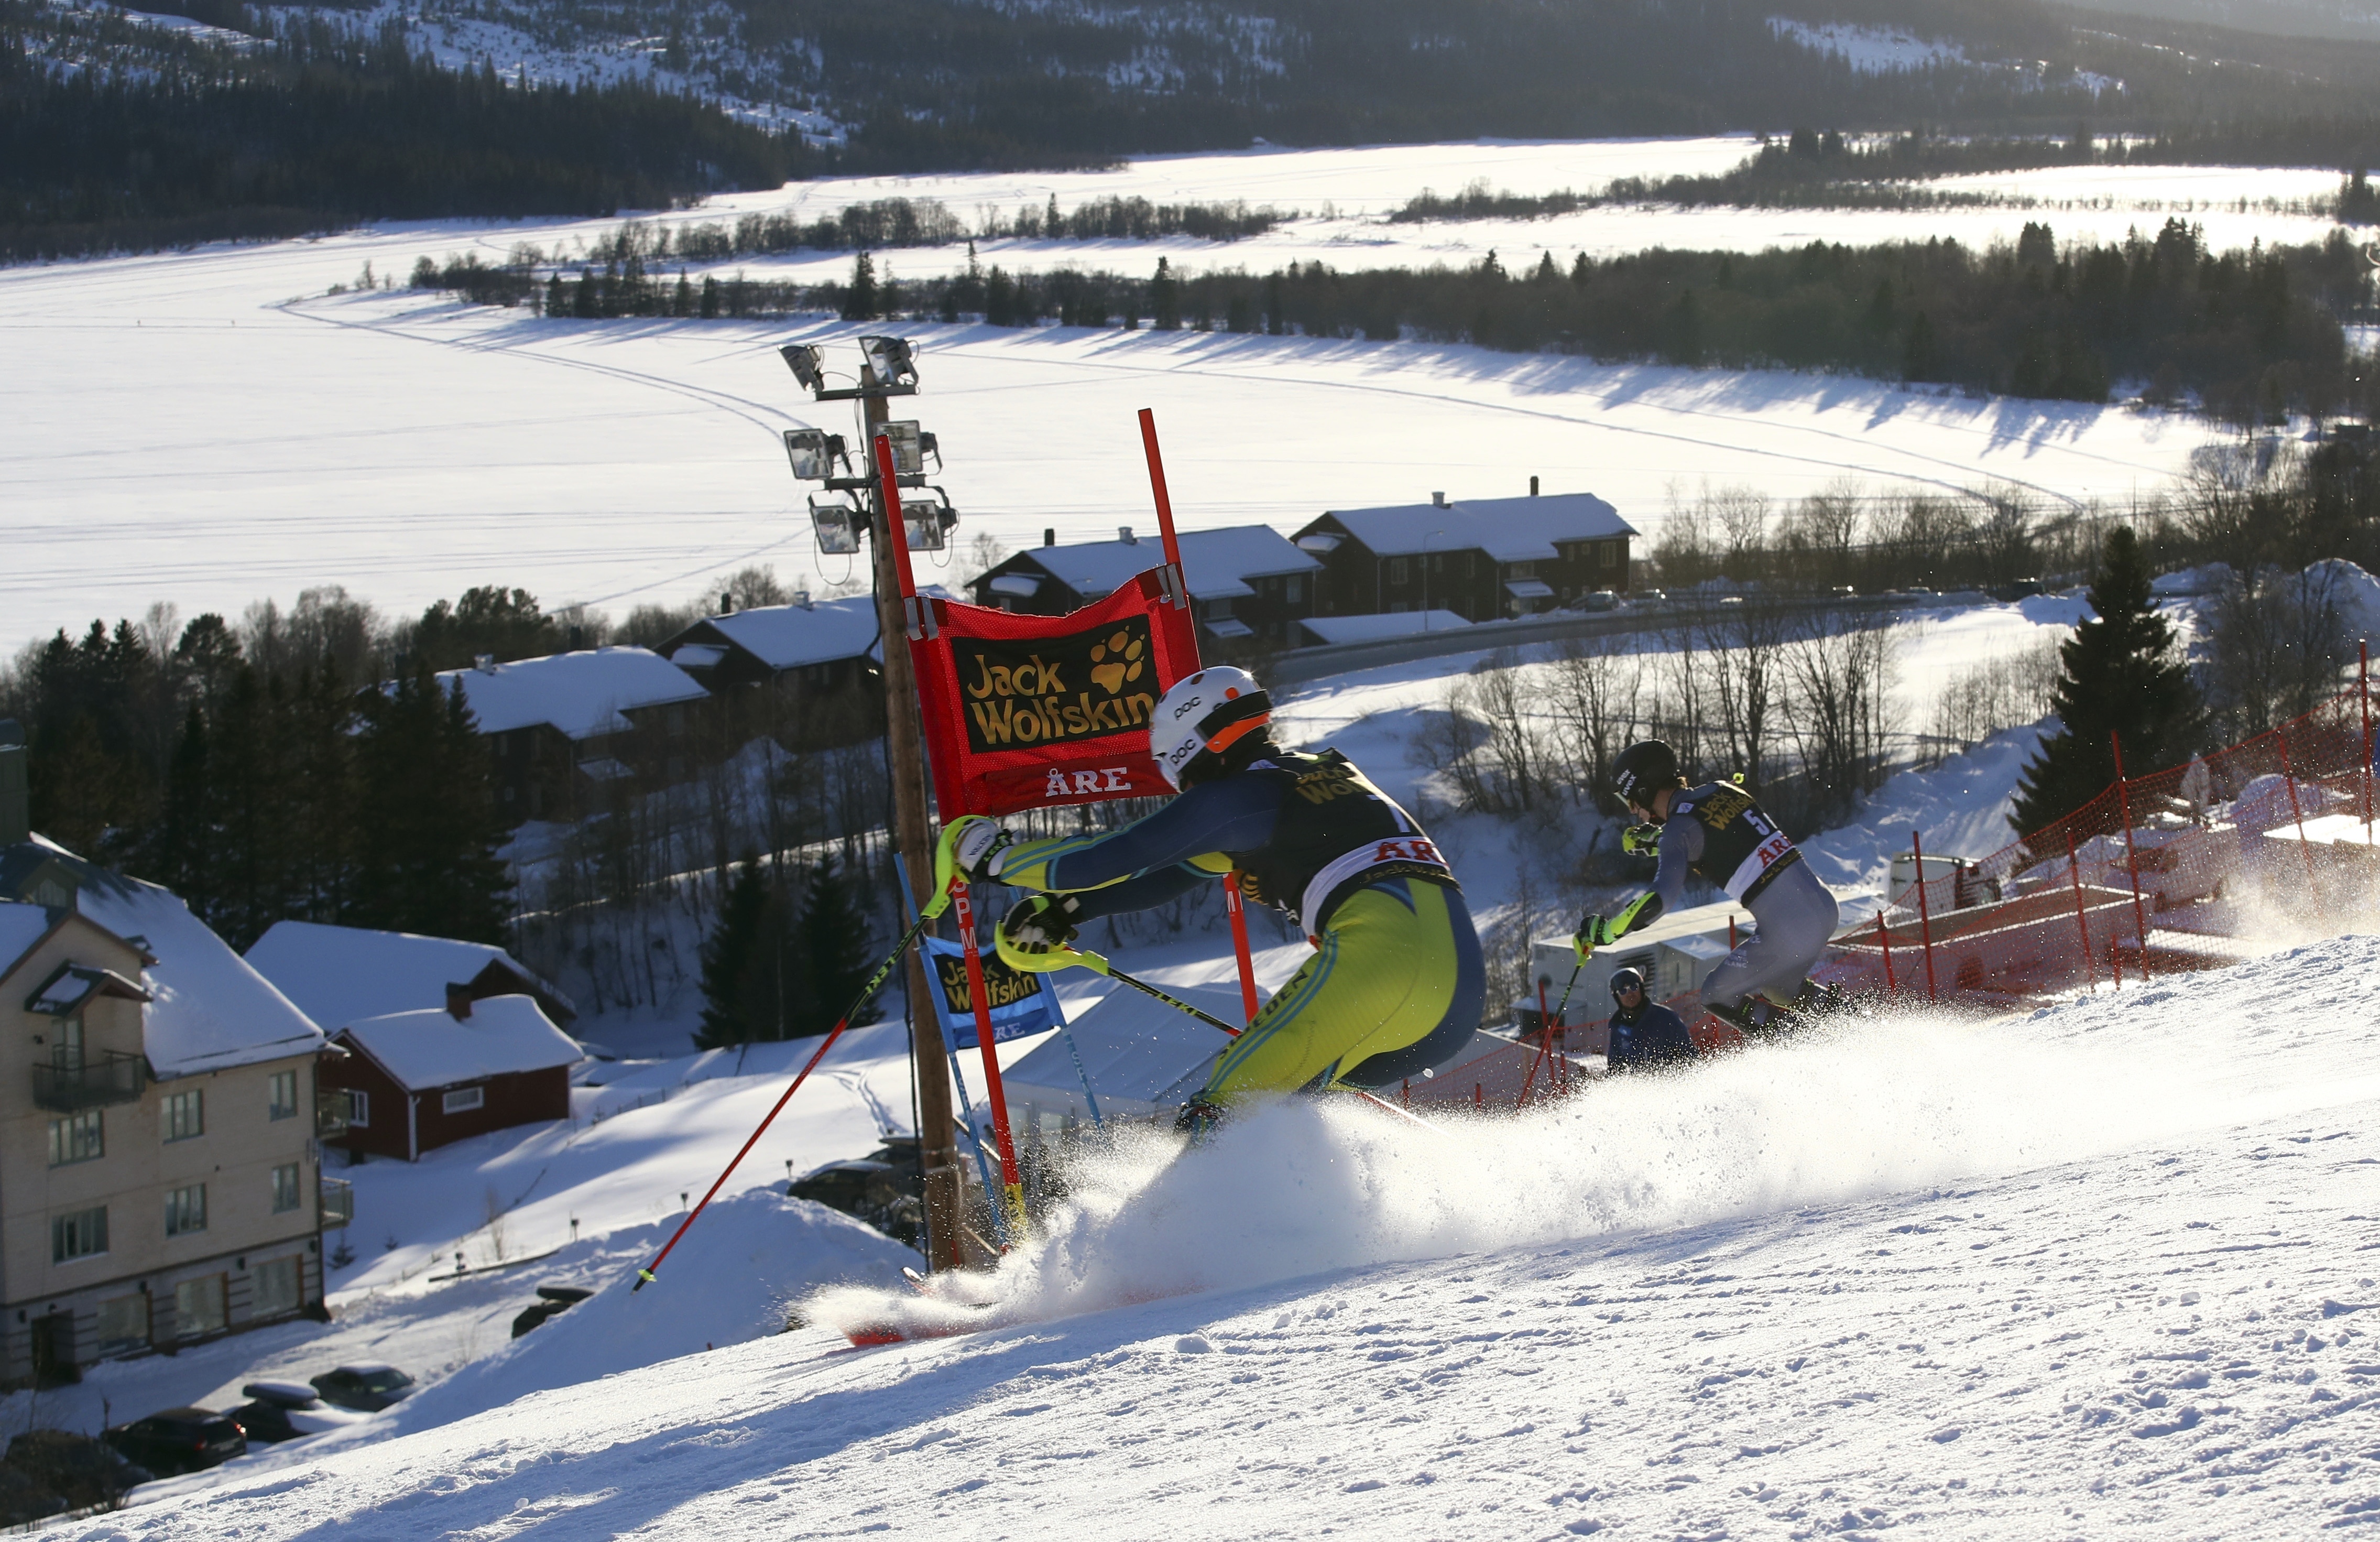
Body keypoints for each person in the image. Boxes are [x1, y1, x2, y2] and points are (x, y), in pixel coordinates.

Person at [938, 666, 1484, 1128]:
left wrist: (995, 858)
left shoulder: (1237, 800)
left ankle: (1183, 1243)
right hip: (1456, 993)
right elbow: (1170, 876)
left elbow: (1113, 854)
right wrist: (1070, 909)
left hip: (1385, 959)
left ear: (1188, 751)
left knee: (1222, 1112)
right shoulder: (1315, 778)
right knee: (1284, 1116)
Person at [1574, 739, 1840, 1038]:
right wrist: (1659, 840)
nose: (1634, 811)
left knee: (1716, 994)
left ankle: (1805, 1049)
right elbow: (1721, 835)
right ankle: (1853, 1022)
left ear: (1643, 790)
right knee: (1778, 988)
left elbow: (1660, 899)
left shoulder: (1676, 832)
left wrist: (1607, 932)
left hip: (1789, 930)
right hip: (1824, 907)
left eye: (1630, 801)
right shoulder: (1724, 789)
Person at [1602, 967, 1696, 1071]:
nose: (1630, 994)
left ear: (1641, 989)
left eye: (1634, 987)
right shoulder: (1619, 1029)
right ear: (1617, 996)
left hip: (1671, 1082)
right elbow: (1615, 1070)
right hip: (1641, 1086)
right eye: (1623, 991)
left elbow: (1689, 1056)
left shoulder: (1666, 1018)